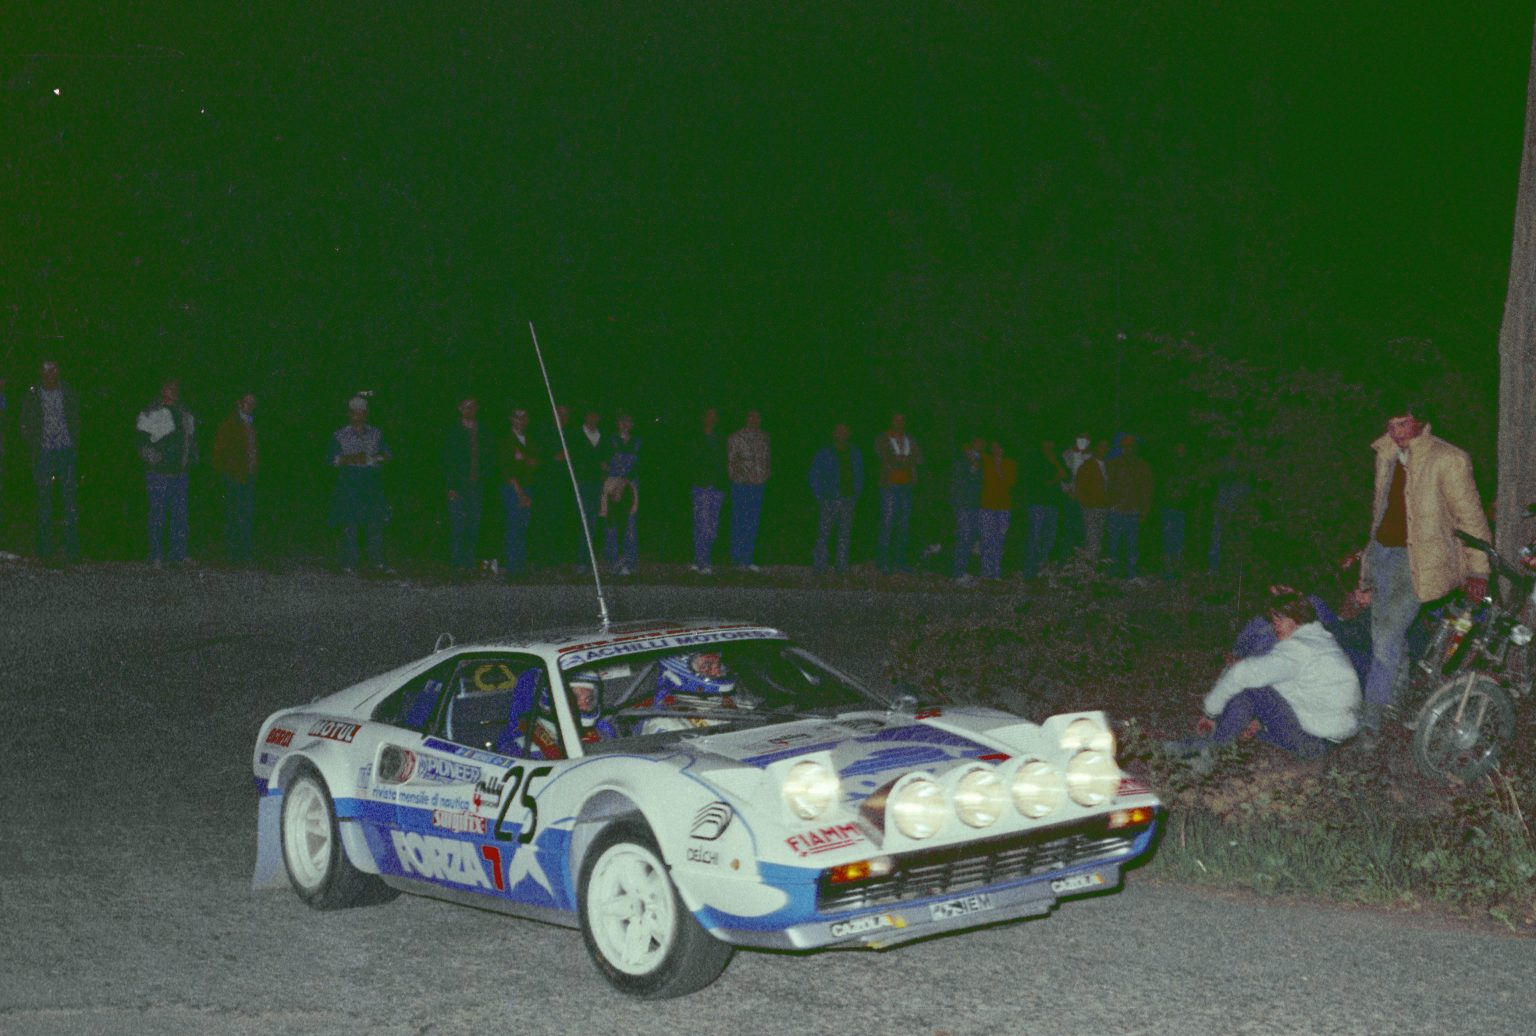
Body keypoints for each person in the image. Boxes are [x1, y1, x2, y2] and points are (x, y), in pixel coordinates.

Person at [1353, 401, 1490, 734]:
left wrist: (1479, 571)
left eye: (1403, 423)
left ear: (1420, 422)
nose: (1395, 431)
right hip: (1382, 555)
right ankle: (1394, 698)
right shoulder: (1386, 454)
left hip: (1418, 563)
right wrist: (1367, 560)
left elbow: (1471, 518)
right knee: (1385, 636)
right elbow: (1381, 512)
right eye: (1391, 424)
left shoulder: (1448, 459)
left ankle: (1370, 722)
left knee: (1385, 639)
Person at [1166, 591, 1361, 764]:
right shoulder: (1322, 641)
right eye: (1273, 619)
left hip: (1313, 743)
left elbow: (1241, 674)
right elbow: (1294, 691)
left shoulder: (1298, 648)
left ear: (1297, 619)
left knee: (1248, 686)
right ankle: (1214, 742)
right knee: (1257, 688)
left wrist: (1210, 713)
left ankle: (1209, 753)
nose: (1275, 625)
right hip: (1332, 741)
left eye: (1280, 618)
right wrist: (1260, 720)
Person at [18, 359, 81, 565]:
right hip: (43, 452)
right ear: (40, 372)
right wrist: (32, 446)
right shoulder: (33, 394)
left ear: (58, 370)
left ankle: (72, 550)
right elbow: (25, 423)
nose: (49, 374)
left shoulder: (68, 392)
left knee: (69, 501)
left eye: (52, 369)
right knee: (43, 501)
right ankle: (45, 550)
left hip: (66, 451)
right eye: (45, 370)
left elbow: (77, 418)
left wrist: (75, 442)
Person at [327, 395, 393, 574]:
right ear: (349, 414)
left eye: (361, 412)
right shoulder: (339, 435)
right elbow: (331, 459)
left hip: (372, 480)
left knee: (375, 522)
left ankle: (377, 561)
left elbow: (388, 454)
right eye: (354, 412)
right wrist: (352, 458)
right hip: (350, 480)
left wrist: (376, 458)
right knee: (350, 523)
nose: (358, 416)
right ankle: (349, 562)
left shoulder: (376, 433)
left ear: (366, 413)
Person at [136, 377, 197, 567]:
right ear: (162, 389)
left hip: (180, 473)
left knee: (180, 517)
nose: (173, 390)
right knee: (157, 516)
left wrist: (189, 460)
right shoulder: (150, 413)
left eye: (176, 388)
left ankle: (179, 555)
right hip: (158, 475)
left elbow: (191, 441)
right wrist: (155, 460)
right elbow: (141, 442)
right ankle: (156, 555)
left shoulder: (185, 413)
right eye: (169, 387)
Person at [808, 422, 864, 574]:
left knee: (845, 534)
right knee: (824, 533)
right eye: (839, 431)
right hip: (829, 499)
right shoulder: (825, 452)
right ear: (834, 433)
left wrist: (856, 493)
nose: (842, 434)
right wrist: (820, 495)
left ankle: (841, 565)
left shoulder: (855, 452)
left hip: (848, 499)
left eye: (845, 431)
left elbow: (860, 474)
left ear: (849, 434)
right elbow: (813, 475)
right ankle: (820, 566)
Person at [211, 392, 259, 565]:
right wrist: (229, 471)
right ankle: (233, 554)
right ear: (239, 403)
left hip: (250, 475)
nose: (251, 406)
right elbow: (220, 450)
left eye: (253, 403)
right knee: (233, 514)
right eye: (247, 402)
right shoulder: (230, 424)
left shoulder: (253, 424)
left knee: (247, 514)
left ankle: (245, 552)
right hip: (234, 476)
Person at [874, 413, 922, 574]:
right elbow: (885, 458)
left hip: (906, 486)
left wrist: (903, 460)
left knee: (903, 525)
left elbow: (919, 458)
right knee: (887, 523)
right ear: (891, 422)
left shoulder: (910, 439)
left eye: (902, 420)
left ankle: (900, 562)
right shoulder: (883, 438)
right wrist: (904, 460)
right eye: (896, 420)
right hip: (889, 486)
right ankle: (882, 562)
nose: (899, 423)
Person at [444, 396, 484, 572]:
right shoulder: (454, 432)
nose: (469, 410)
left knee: (474, 525)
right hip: (458, 486)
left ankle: (470, 563)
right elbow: (447, 461)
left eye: (472, 406)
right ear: (460, 409)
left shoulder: (482, 431)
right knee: (458, 525)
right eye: (466, 407)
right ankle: (457, 563)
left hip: (477, 485)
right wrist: (450, 487)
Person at [727, 410, 771, 571]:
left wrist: (765, 475)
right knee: (739, 521)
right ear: (746, 418)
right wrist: (738, 477)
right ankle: (736, 559)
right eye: (751, 416)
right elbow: (730, 462)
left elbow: (767, 459)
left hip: (758, 485)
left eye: (757, 417)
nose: (754, 420)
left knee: (753, 522)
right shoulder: (736, 437)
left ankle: (748, 558)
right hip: (741, 485)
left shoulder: (764, 437)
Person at [1106, 433, 1153, 580]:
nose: (1129, 449)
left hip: (1133, 512)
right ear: (1121, 448)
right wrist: (1110, 504)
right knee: (1113, 545)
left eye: (1131, 447)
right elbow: (1107, 487)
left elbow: (1147, 490)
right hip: (1115, 511)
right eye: (1126, 447)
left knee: (1132, 545)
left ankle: (1131, 575)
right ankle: (1112, 575)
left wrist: (1144, 510)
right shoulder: (1112, 464)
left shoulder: (1142, 466)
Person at [500, 407, 539, 578]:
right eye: (517, 417)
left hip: (529, 486)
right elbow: (506, 470)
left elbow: (536, 463)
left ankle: (521, 567)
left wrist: (523, 458)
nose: (521, 421)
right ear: (511, 419)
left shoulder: (530, 439)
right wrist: (520, 493)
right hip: (513, 488)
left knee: (524, 526)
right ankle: (513, 568)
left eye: (524, 417)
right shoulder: (506, 440)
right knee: (513, 526)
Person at [688, 407, 727, 574]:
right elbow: (691, 461)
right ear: (703, 418)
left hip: (716, 487)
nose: (711, 419)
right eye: (708, 416)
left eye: (714, 416)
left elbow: (724, 462)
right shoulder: (696, 437)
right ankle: (702, 561)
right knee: (700, 524)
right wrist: (698, 481)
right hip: (700, 486)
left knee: (711, 527)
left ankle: (703, 559)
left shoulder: (721, 438)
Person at [1020, 438, 1066, 579]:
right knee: (1034, 537)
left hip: (1053, 505)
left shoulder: (1058, 458)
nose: (1049, 444)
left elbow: (1066, 476)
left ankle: (1041, 568)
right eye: (1047, 441)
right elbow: (1036, 483)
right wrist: (1056, 478)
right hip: (1038, 504)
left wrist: (1057, 467)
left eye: (1051, 442)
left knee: (1049, 539)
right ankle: (1029, 571)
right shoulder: (1035, 459)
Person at [603, 412, 641, 574]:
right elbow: (603, 462)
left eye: (628, 421)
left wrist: (625, 481)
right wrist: (614, 483)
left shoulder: (637, 442)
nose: (625, 424)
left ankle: (629, 562)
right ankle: (613, 560)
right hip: (612, 485)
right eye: (622, 421)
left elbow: (640, 464)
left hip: (631, 486)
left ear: (632, 424)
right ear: (617, 423)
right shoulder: (610, 440)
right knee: (612, 522)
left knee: (630, 523)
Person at [569, 409, 606, 571]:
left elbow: (605, 458)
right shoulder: (576, 435)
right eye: (590, 415)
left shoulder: (602, 436)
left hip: (598, 484)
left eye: (595, 415)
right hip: (581, 484)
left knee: (594, 521)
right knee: (581, 521)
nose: (592, 418)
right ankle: (580, 560)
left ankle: (591, 559)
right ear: (585, 416)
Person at [978, 440, 1017, 580]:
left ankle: (996, 572)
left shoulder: (1010, 464)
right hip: (986, 506)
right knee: (986, 539)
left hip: (1003, 508)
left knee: (999, 540)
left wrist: (998, 465)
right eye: (993, 447)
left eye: (998, 447)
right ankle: (985, 572)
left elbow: (1009, 482)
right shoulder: (985, 462)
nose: (996, 450)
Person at [950, 437, 984, 585]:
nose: (981, 444)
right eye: (978, 441)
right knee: (963, 537)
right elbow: (958, 482)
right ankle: (958, 574)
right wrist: (972, 467)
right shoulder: (962, 460)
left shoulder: (980, 460)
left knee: (970, 539)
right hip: (963, 504)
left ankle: (964, 571)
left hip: (975, 504)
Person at [1159, 442, 1194, 579]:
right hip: (1168, 508)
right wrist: (1171, 493)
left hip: (1181, 508)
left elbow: (1189, 485)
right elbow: (1164, 484)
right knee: (1168, 538)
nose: (1180, 450)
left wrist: (1183, 495)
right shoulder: (1168, 464)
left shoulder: (1188, 466)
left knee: (1179, 538)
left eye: (1183, 448)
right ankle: (1168, 570)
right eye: (1178, 448)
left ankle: (1178, 569)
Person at [1073, 439, 1110, 560]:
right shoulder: (1087, 466)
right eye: (1101, 446)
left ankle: (1094, 563)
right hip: (1091, 507)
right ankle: (1089, 564)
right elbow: (1080, 487)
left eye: (1105, 447)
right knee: (1091, 537)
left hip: (1104, 507)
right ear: (1095, 448)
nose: (1103, 450)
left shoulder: (1109, 465)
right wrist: (1087, 502)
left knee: (1099, 537)